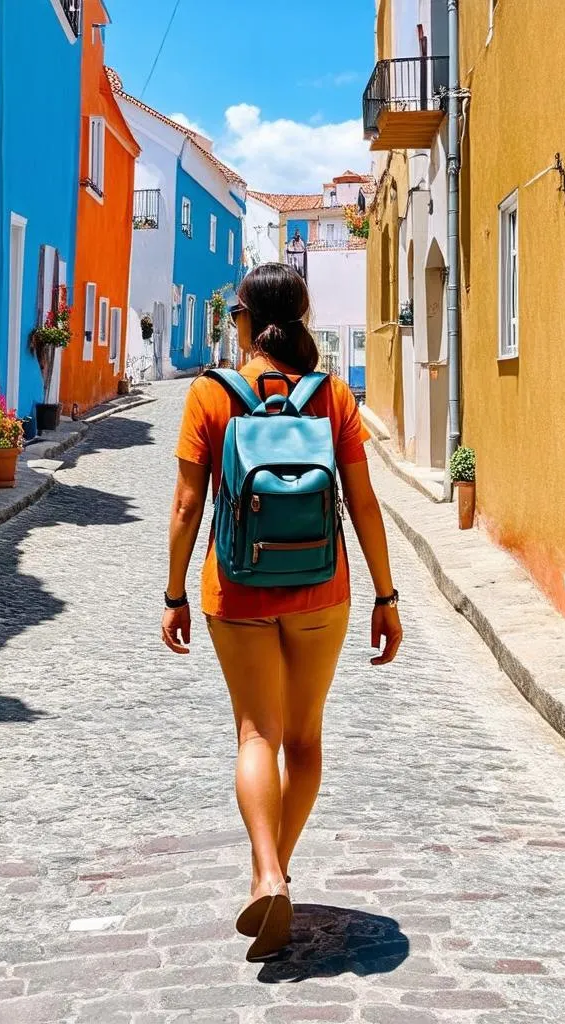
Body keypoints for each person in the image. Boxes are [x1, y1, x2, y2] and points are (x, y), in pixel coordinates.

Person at [161, 262, 403, 961]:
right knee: (303, 739)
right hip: (321, 591)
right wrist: (387, 597)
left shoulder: (211, 394)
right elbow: (362, 504)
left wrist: (174, 592)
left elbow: (184, 507)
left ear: (242, 319)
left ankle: (266, 872)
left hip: (235, 589)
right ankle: (277, 870)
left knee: (255, 736)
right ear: (300, 317)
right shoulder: (332, 396)